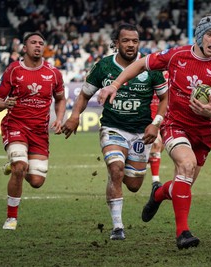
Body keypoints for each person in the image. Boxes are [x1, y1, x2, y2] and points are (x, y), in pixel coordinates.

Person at [97, 14, 211, 249]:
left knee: (182, 186)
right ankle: (183, 233)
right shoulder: (177, 55)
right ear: (200, 35)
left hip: (204, 133)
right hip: (176, 126)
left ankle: (159, 193)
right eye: (210, 34)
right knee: (186, 165)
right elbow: (141, 64)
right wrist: (115, 84)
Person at [61, 23, 168, 240]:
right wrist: (74, 116)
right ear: (116, 43)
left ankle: (119, 180)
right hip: (113, 127)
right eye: (126, 40)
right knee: (116, 168)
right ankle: (117, 227)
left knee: (134, 185)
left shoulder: (150, 67)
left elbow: (166, 98)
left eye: (135, 41)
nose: (130, 45)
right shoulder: (103, 66)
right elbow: (84, 95)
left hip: (141, 132)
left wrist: (156, 123)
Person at [0, 32, 66, 230]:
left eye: (41, 43)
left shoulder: (53, 73)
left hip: (40, 132)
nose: (38, 46)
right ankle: (11, 218)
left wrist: (59, 118)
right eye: (33, 43)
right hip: (16, 125)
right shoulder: (13, 70)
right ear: (24, 48)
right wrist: (6, 103)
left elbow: (60, 98)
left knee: (36, 181)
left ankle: (15, 164)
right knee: (20, 167)